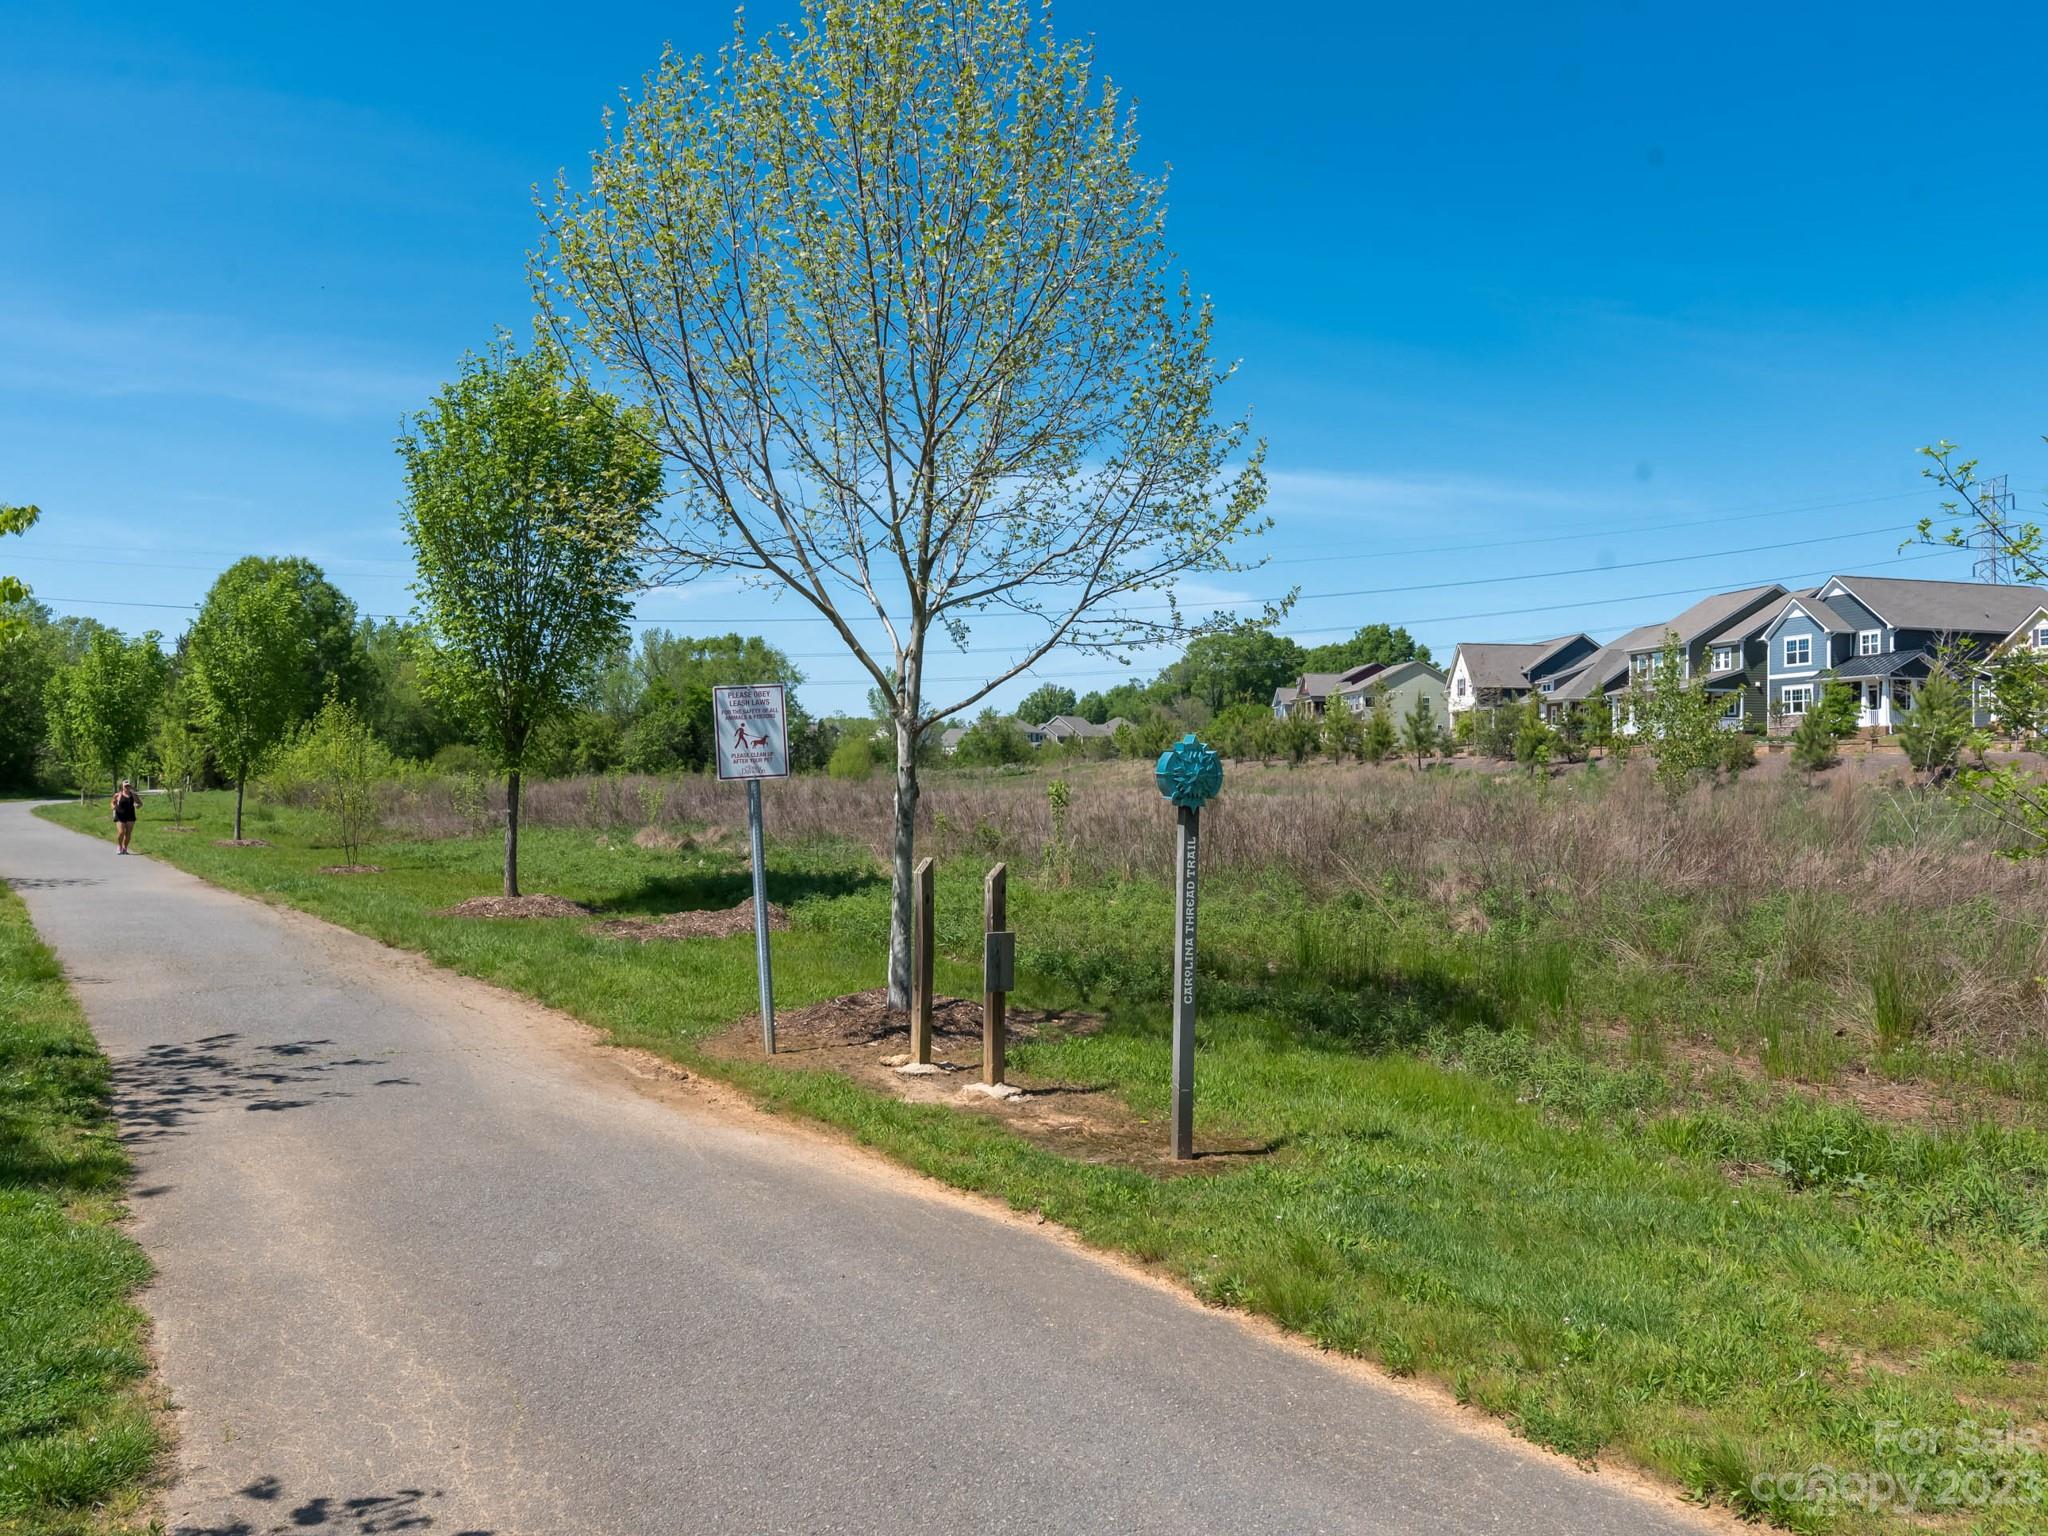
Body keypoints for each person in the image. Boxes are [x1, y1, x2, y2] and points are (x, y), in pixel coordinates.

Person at [111, 779, 138, 854]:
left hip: (130, 816)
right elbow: (112, 803)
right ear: (122, 787)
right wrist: (113, 806)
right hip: (120, 815)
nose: (127, 787)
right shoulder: (118, 795)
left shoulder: (133, 795)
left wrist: (138, 805)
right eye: (125, 786)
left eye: (128, 786)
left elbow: (139, 803)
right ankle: (119, 846)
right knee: (121, 832)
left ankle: (125, 848)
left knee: (128, 833)